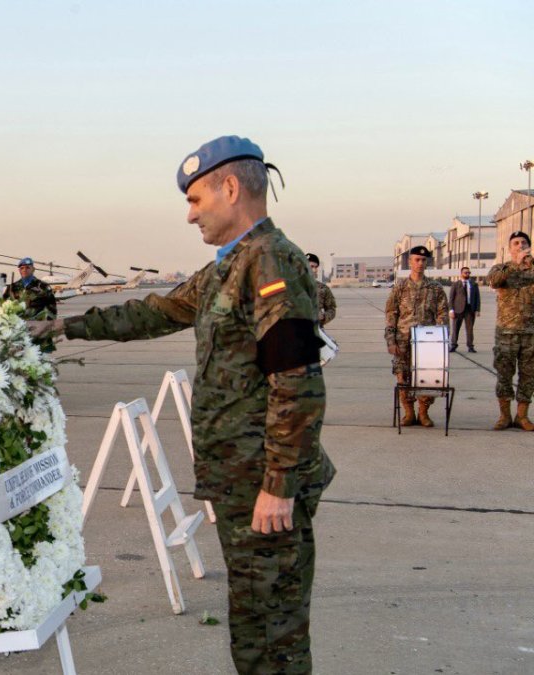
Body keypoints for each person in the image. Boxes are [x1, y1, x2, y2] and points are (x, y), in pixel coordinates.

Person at [32, 136, 335, 674]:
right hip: (241, 478)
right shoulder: (229, 266)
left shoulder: (271, 261)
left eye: (195, 200)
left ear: (231, 188)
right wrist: (63, 326)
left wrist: (279, 485)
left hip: (263, 481)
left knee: (274, 633)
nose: (190, 214)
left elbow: (297, 382)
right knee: (253, 622)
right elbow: (154, 312)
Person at [384, 246, 449, 427]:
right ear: (410, 262)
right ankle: (409, 413)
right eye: (417, 260)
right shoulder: (400, 287)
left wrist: (440, 340)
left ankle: (423, 412)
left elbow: (442, 314)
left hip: (427, 342)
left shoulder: (435, 288)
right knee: (402, 377)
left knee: (427, 377)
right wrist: (390, 340)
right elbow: (391, 314)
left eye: (423, 260)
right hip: (403, 340)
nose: (420, 263)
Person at [484, 232, 534, 431]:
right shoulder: (501, 268)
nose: (520, 245)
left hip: (530, 334)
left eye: (524, 243)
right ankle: (504, 416)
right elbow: (494, 281)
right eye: (516, 243)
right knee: (504, 375)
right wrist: (515, 264)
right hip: (506, 333)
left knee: (528, 376)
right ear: (510, 248)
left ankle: (522, 416)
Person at [448, 266, 481, 353]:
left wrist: (477, 310)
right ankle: (453, 345)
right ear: (461, 273)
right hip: (458, 310)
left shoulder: (474, 284)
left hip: (470, 310)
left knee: (470, 329)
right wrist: (451, 310)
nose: (467, 274)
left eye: (468, 273)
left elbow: (477, 298)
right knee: (455, 329)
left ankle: (470, 346)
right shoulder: (456, 284)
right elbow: (451, 298)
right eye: (465, 272)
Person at [306, 253, 336, 326]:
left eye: (316, 267)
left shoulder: (323, 288)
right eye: (311, 267)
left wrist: (323, 317)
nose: (314, 270)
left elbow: (331, 309)